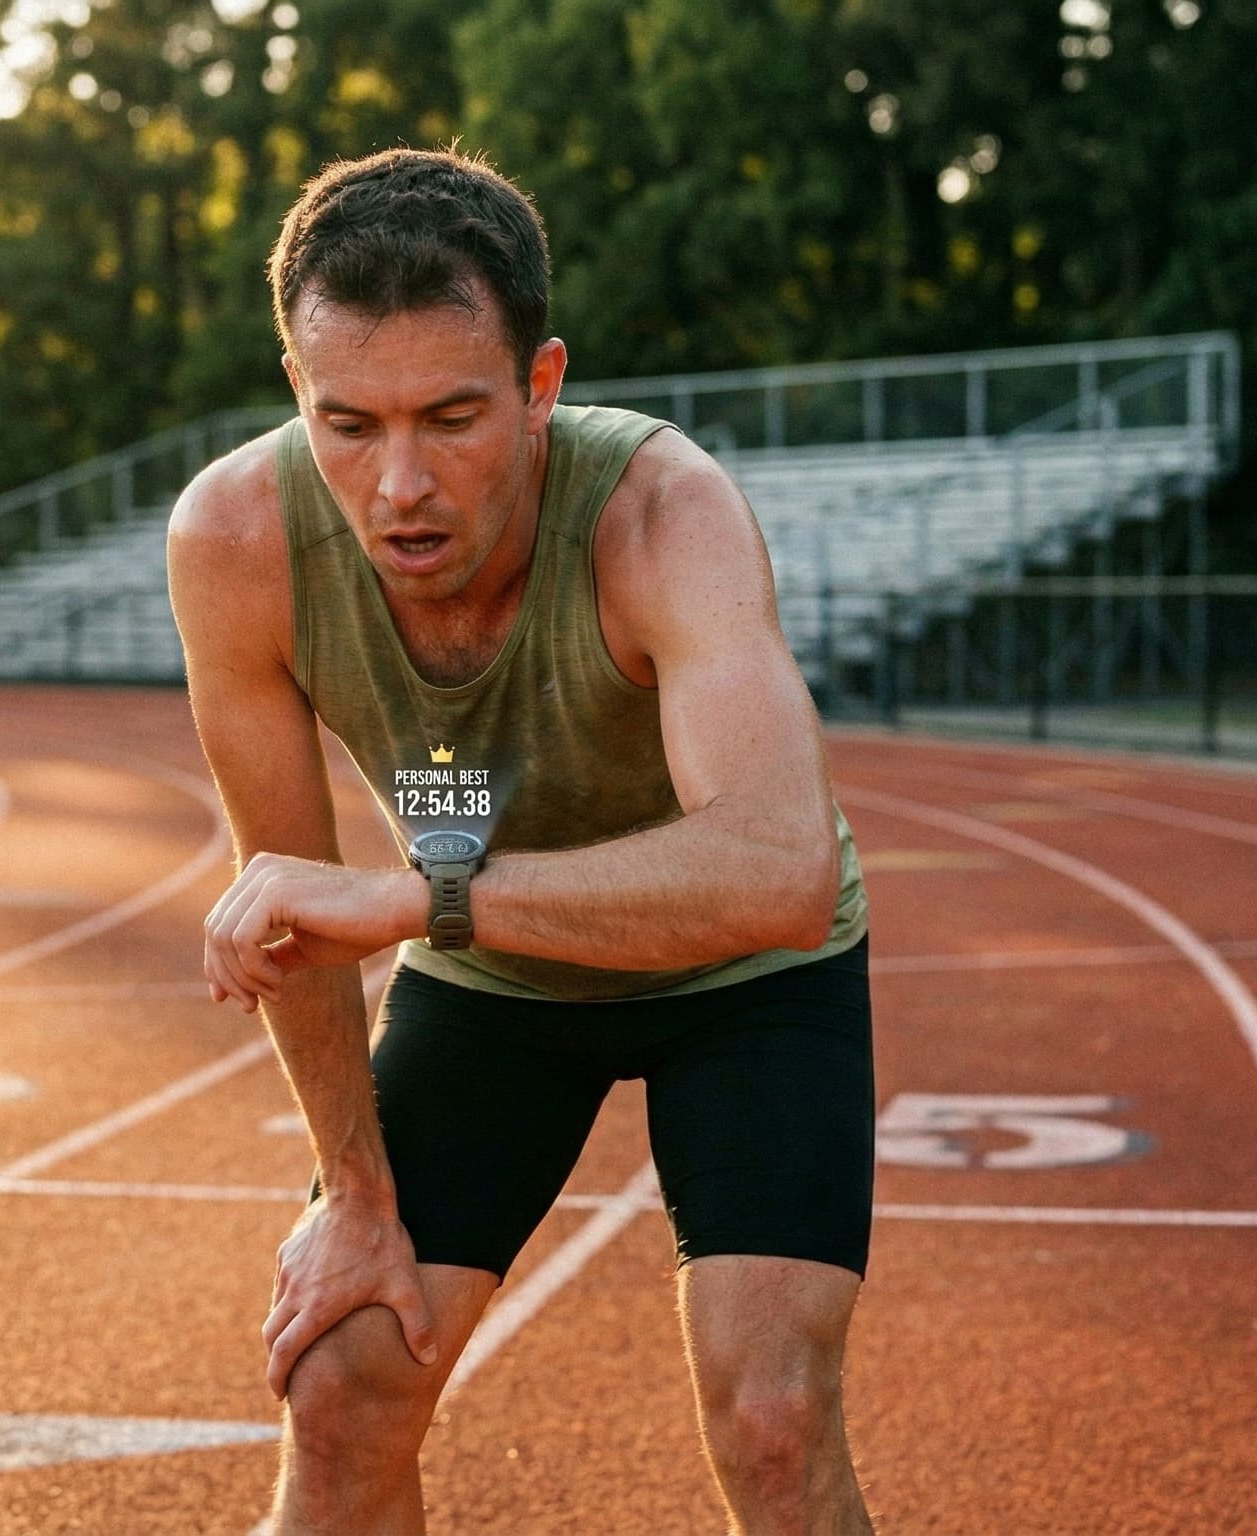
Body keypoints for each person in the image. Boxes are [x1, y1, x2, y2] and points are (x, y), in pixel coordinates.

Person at [167, 146, 875, 1536]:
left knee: (772, 1420)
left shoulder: (663, 512)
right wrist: (356, 1199)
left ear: (543, 386)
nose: (401, 485)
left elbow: (779, 873)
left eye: (453, 415)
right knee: (343, 1378)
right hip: (496, 986)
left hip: (737, 978)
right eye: (348, 425)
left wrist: (416, 898)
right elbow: (293, 920)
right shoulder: (239, 540)